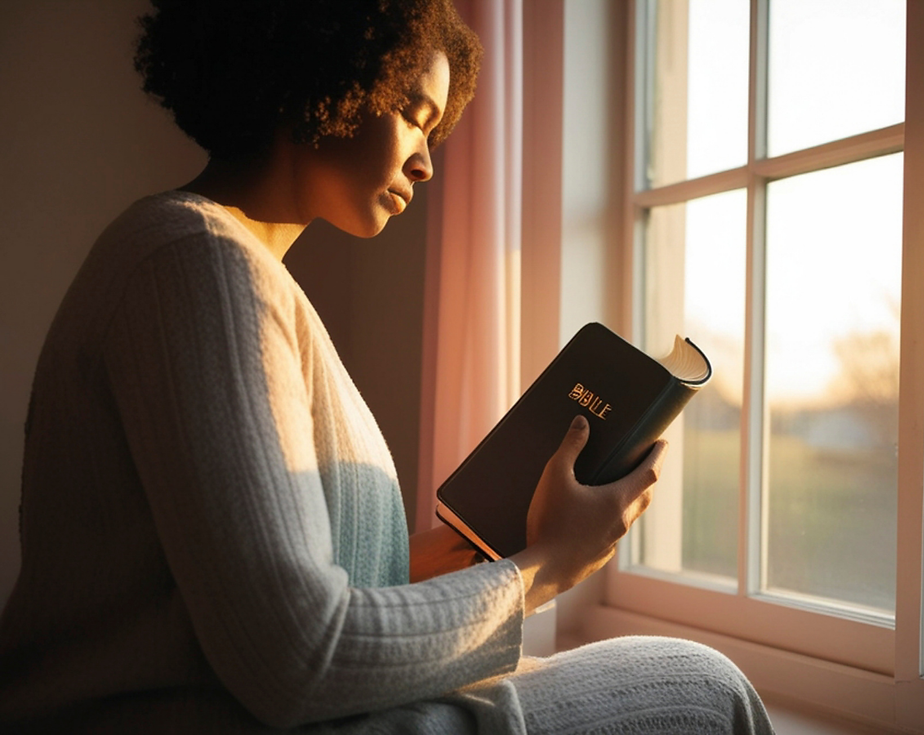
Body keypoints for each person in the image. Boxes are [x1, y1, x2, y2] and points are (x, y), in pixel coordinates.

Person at [0, 1, 774, 733]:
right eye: (415, 115)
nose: (429, 163)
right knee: (703, 687)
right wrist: (544, 568)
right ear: (328, 74)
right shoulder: (198, 265)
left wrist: (471, 550)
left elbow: (265, 592)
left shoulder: (228, 276)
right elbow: (297, 657)